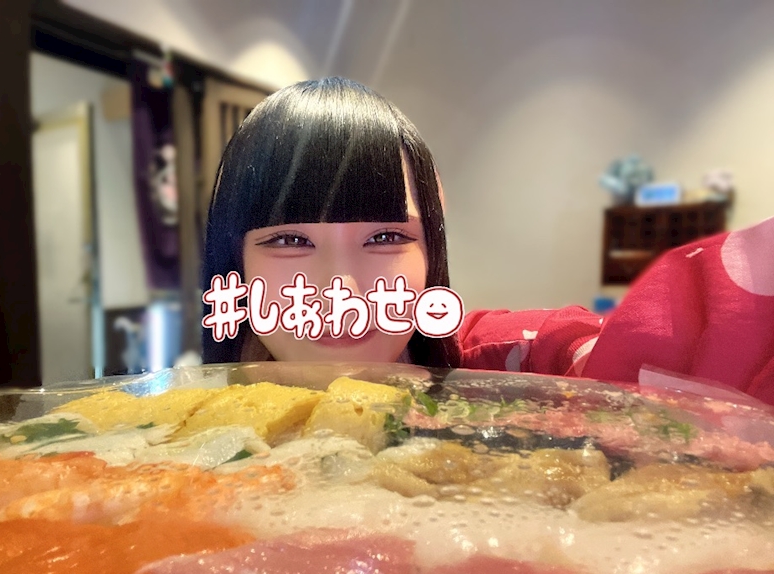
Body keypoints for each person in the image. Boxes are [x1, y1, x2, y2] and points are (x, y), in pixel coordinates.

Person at [202, 76, 774, 405]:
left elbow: (690, 339)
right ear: (235, 261)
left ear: (432, 253)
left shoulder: (505, 364)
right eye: (289, 240)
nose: (341, 290)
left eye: (385, 236)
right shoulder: (174, 430)